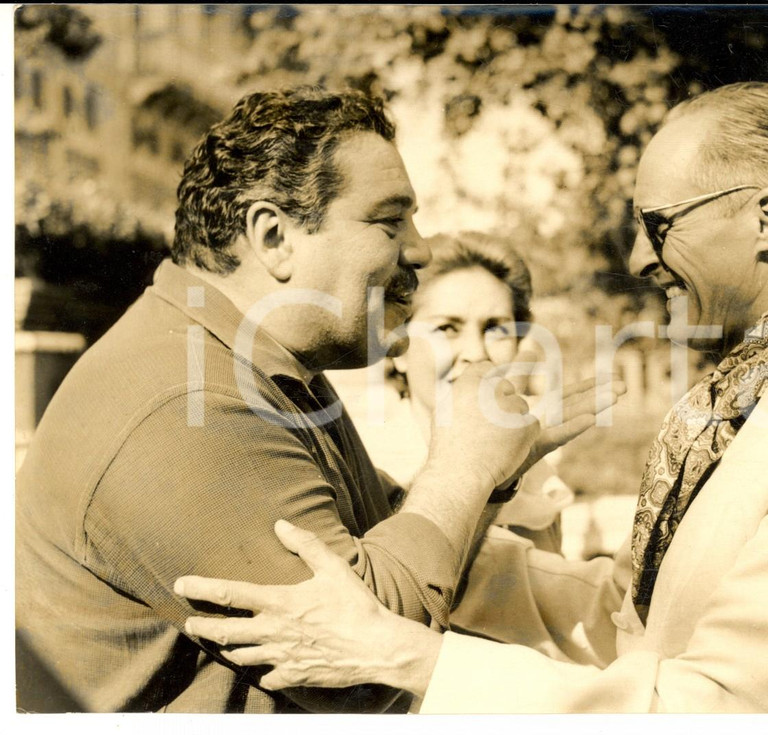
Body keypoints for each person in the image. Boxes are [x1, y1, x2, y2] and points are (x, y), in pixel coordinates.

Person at [177, 82, 768, 714]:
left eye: (658, 226)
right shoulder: (757, 383)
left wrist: (400, 652)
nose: (637, 258)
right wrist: (435, 515)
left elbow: (725, 707)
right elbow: (637, 625)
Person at [14, 87, 620, 713]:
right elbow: (362, 676)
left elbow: (395, 544)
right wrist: (466, 467)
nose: (422, 249)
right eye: (389, 221)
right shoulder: (184, 401)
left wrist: (492, 473)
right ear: (274, 236)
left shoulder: (257, 363)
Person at [342, 232, 574, 554]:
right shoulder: (366, 466)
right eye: (447, 328)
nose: (476, 353)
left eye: (496, 329)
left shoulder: (535, 475)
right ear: (400, 348)